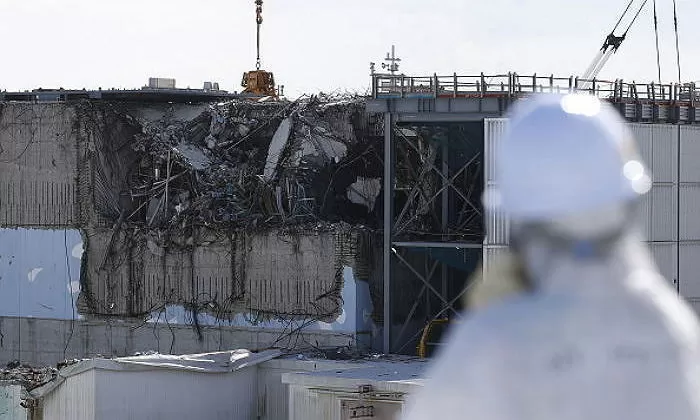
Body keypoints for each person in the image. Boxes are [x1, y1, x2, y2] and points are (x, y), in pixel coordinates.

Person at [401, 93, 700, 420]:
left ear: (520, 217)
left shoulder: (493, 342)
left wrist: (489, 320)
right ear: (626, 204)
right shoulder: (670, 328)